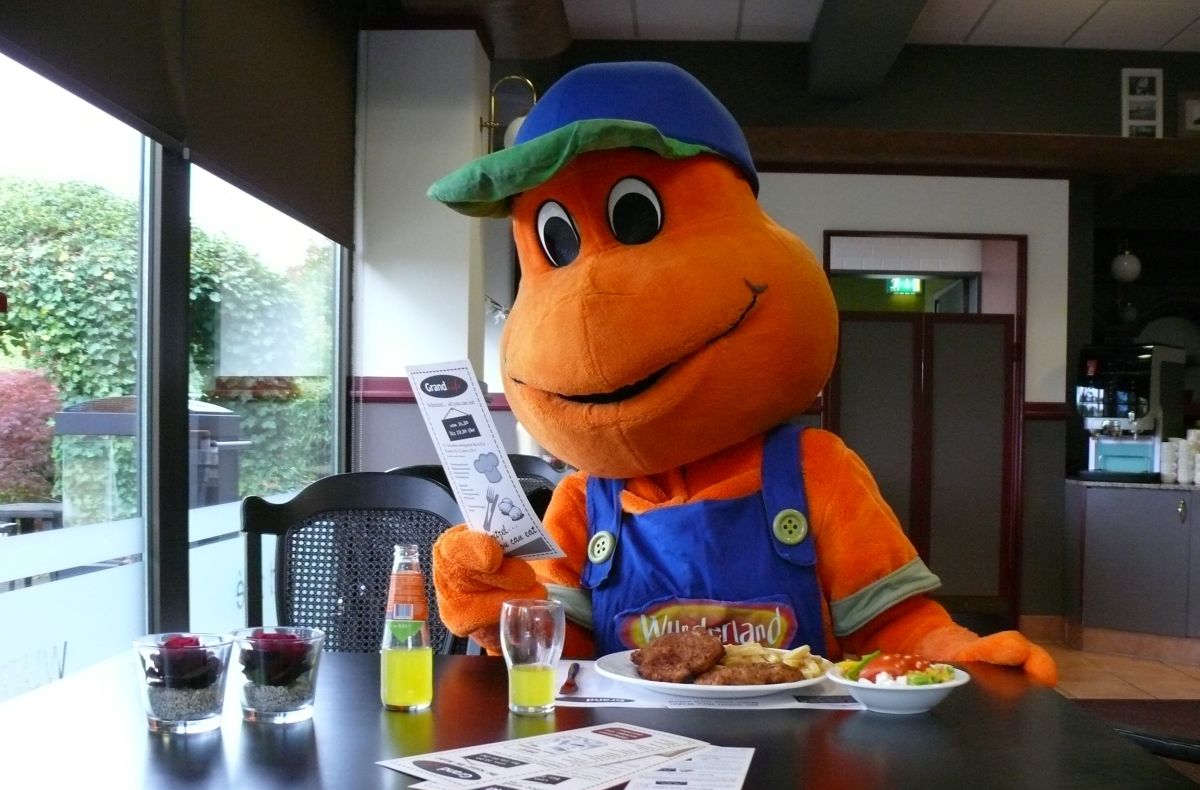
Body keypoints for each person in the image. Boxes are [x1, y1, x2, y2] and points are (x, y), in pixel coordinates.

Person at [427, 60, 1056, 686]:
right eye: (556, 242)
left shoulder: (816, 472)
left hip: (799, 763)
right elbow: (559, 657)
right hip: (634, 763)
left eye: (638, 217)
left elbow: (890, 624)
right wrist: (497, 610)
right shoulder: (583, 502)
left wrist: (952, 651)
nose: (589, 298)